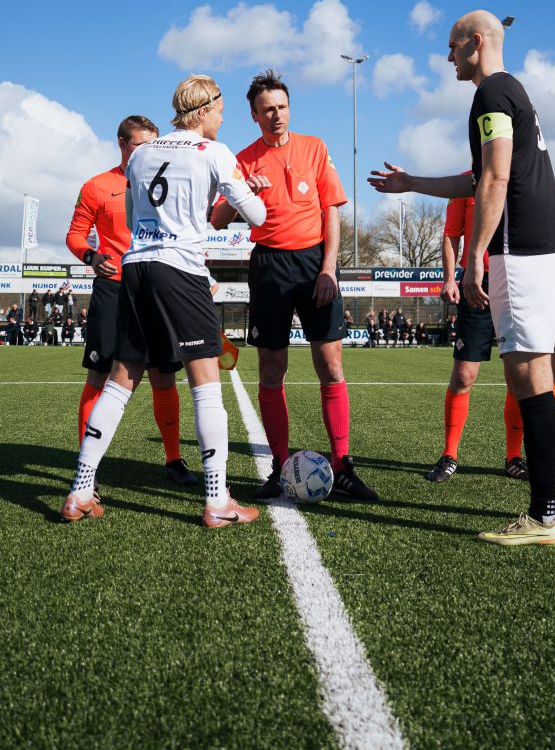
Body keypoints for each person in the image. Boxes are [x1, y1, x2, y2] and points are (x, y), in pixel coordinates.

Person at [369, 9, 555, 546]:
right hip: (553, 250)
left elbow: (495, 176)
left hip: (522, 254)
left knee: (530, 378)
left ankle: (544, 517)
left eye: (451, 47)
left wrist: (475, 258)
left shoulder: (490, 94)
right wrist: (413, 182)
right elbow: (480, 174)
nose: (447, 58)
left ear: (477, 41)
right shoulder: (516, 92)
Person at [60, 74, 267, 527]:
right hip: (181, 270)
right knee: (205, 384)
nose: (223, 116)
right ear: (205, 109)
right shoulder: (214, 151)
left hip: (136, 268)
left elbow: (136, 219)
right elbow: (256, 215)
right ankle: (217, 501)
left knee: (120, 380)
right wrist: (248, 190)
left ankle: (79, 491)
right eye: (220, 108)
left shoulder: (143, 154)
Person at [211, 68, 378, 502]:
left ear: (290, 108)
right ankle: (279, 467)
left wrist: (328, 269)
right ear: (253, 115)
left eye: (282, 107)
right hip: (268, 265)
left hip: (314, 263)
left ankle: (342, 465)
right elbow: (216, 220)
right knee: (271, 370)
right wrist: (239, 192)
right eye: (267, 110)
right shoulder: (242, 160)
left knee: (331, 365)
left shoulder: (316, 148)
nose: (276, 116)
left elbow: (331, 212)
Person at [66, 115, 196, 487]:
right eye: (140, 145)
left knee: (164, 375)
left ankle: (174, 460)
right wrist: (91, 258)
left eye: (153, 145)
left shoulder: (167, 180)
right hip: (115, 289)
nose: (148, 153)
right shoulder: (96, 186)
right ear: (122, 144)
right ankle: (86, 463)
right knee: (100, 373)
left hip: (156, 285)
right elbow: (76, 234)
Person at [425, 178, 527, 484]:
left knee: (519, 377)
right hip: (475, 285)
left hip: (515, 285)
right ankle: (449, 455)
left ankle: (513, 457)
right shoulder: (465, 183)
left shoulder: (521, 178)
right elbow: (450, 235)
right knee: (463, 376)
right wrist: (449, 278)